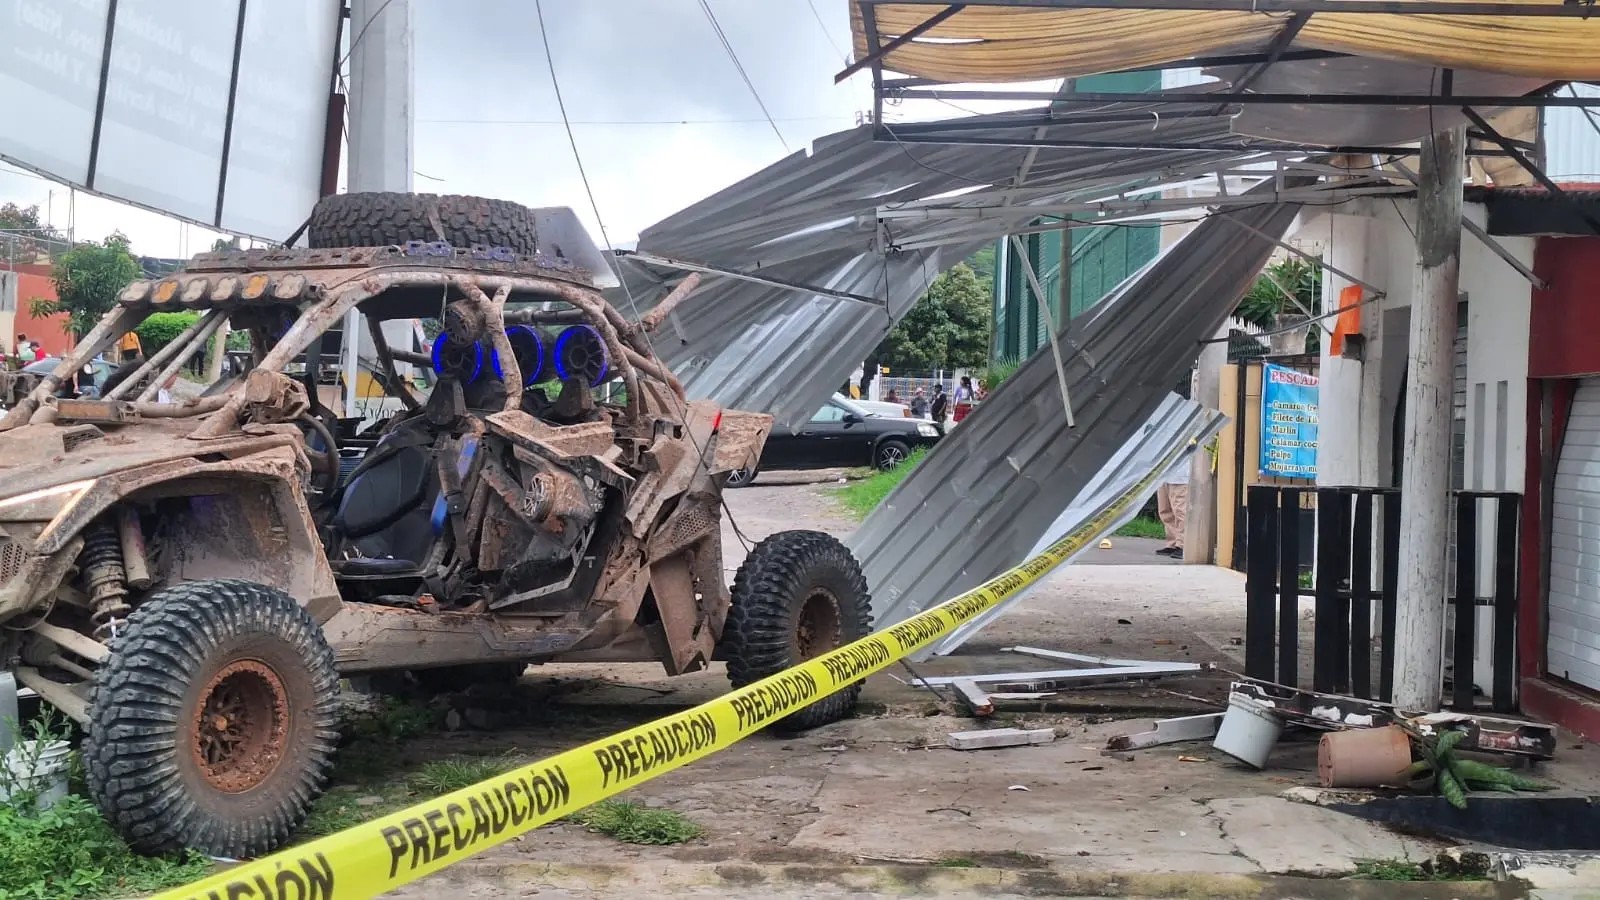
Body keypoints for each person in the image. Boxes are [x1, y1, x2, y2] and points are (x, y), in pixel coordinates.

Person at [1156, 462, 1189, 559]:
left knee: (1180, 512)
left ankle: (1183, 545)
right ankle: (1172, 543)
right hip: (1164, 475)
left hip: (1181, 477)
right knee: (1165, 511)